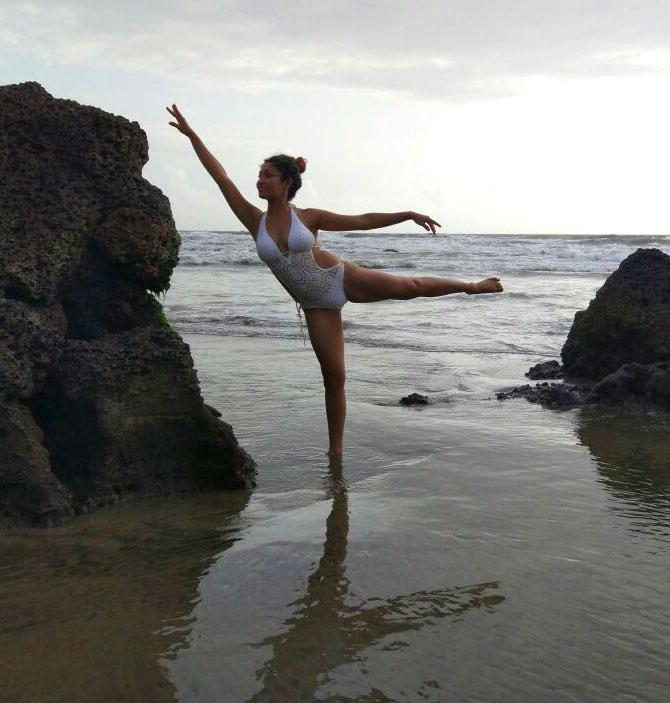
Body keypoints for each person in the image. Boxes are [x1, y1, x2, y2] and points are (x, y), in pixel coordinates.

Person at [167, 104, 503, 458]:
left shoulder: (309, 217)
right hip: (316, 305)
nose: (259, 180)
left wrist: (407, 214)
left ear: (286, 182)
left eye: (267, 175)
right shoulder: (255, 220)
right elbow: (220, 177)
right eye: (259, 174)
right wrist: (192, 136)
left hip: (340, 277)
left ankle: (472, 286)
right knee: (334, 378)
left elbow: (360, 220)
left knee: (411, 288)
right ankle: (336, 451)